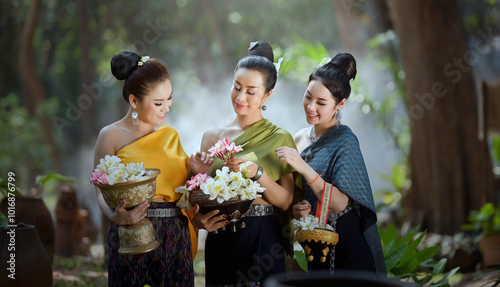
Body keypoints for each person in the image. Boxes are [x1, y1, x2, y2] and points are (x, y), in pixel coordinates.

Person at [93, 51, 213, 287]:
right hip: (131, 231)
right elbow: (100, 189)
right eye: (158, 103)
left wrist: (195, 172)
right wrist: (116, 216)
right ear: (134, 101)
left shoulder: (170, 136)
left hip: (175, 233)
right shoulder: (110, 136)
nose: (166, 108)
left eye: (169, 99)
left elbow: (182, 191)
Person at [193, 41, 296, 286]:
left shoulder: (279, 137)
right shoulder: (212, 137)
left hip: (262, 236)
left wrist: (256, 172)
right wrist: (197, 178)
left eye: (251, 91)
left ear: (267, 95)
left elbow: (285, 200)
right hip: (221, 235)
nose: (241, 97)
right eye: (236, 87)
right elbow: (201, 194)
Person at [275, 53, 386, 274]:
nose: (311, 107)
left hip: (348, 244)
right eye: (308, 96)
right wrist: (299, 209)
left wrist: (304, 167)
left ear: (340, 104)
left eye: (321, 103)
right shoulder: (298, 138)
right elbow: (299, 195)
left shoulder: (346, 141)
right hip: (316, 242)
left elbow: (340, 203)